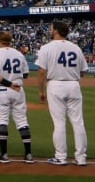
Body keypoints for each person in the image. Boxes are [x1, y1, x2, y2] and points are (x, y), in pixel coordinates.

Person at [36, 20, 88, 166]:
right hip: (73, 85)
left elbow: (41, 72)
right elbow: (83, 72)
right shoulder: (76, 48)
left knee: (59, 123)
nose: (50, 30)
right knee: (78, 122)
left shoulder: (46, 47)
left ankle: (60, 157)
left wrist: (41, 91)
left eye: (51, 28)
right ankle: (81, 157)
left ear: (56, 31)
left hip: (55, 85)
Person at [0, 30, 33, 164]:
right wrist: (14, 82)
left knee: (2, 120)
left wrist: (8, 83)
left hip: (2, 90)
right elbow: (25, 75)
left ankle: (4, 154)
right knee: (22, 121)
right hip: (18, 90)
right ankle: (28, 154)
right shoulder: (19, 54)